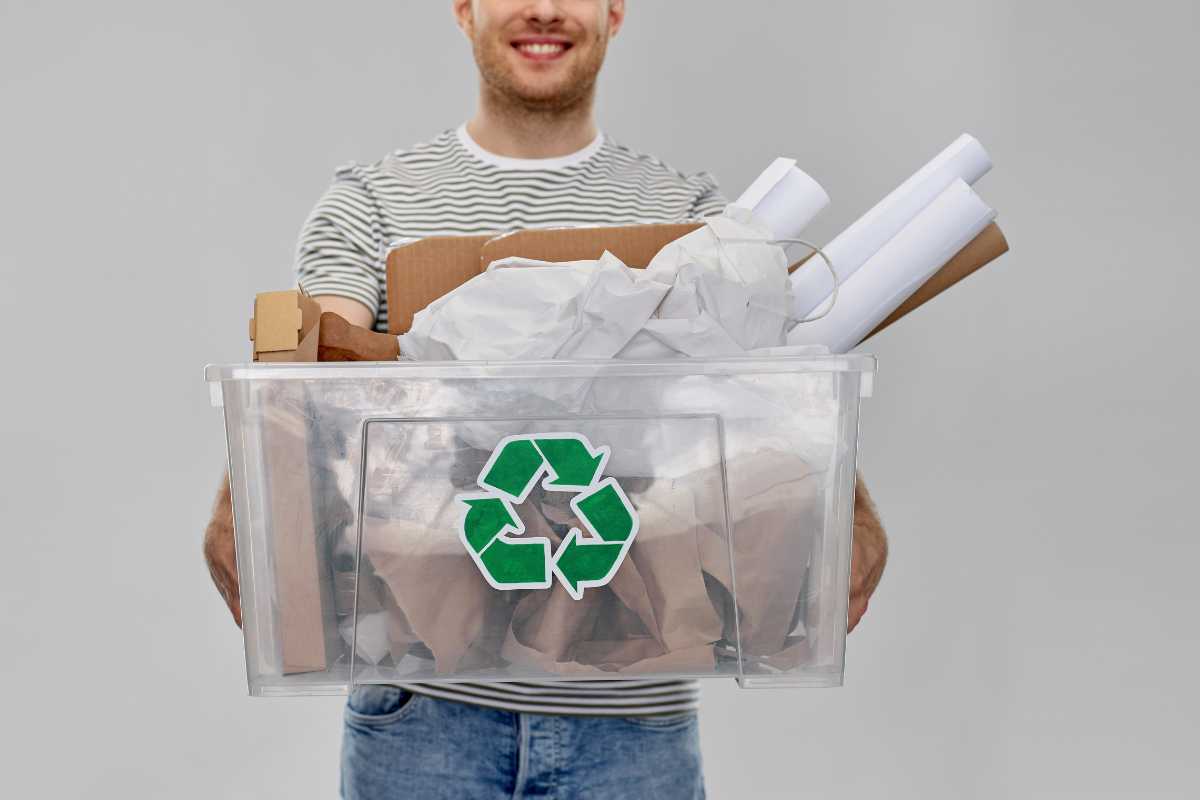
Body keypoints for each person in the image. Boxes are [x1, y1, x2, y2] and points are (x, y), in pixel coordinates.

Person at [204, 1, 889, 797]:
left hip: (636, 717)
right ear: (463, 8)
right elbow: (311, 374)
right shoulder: (372, 204)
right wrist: (244, 500)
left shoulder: (693, 219)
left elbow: (762, 392)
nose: (543, 9)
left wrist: (849, 507)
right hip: (423, 717)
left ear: (615, 10)